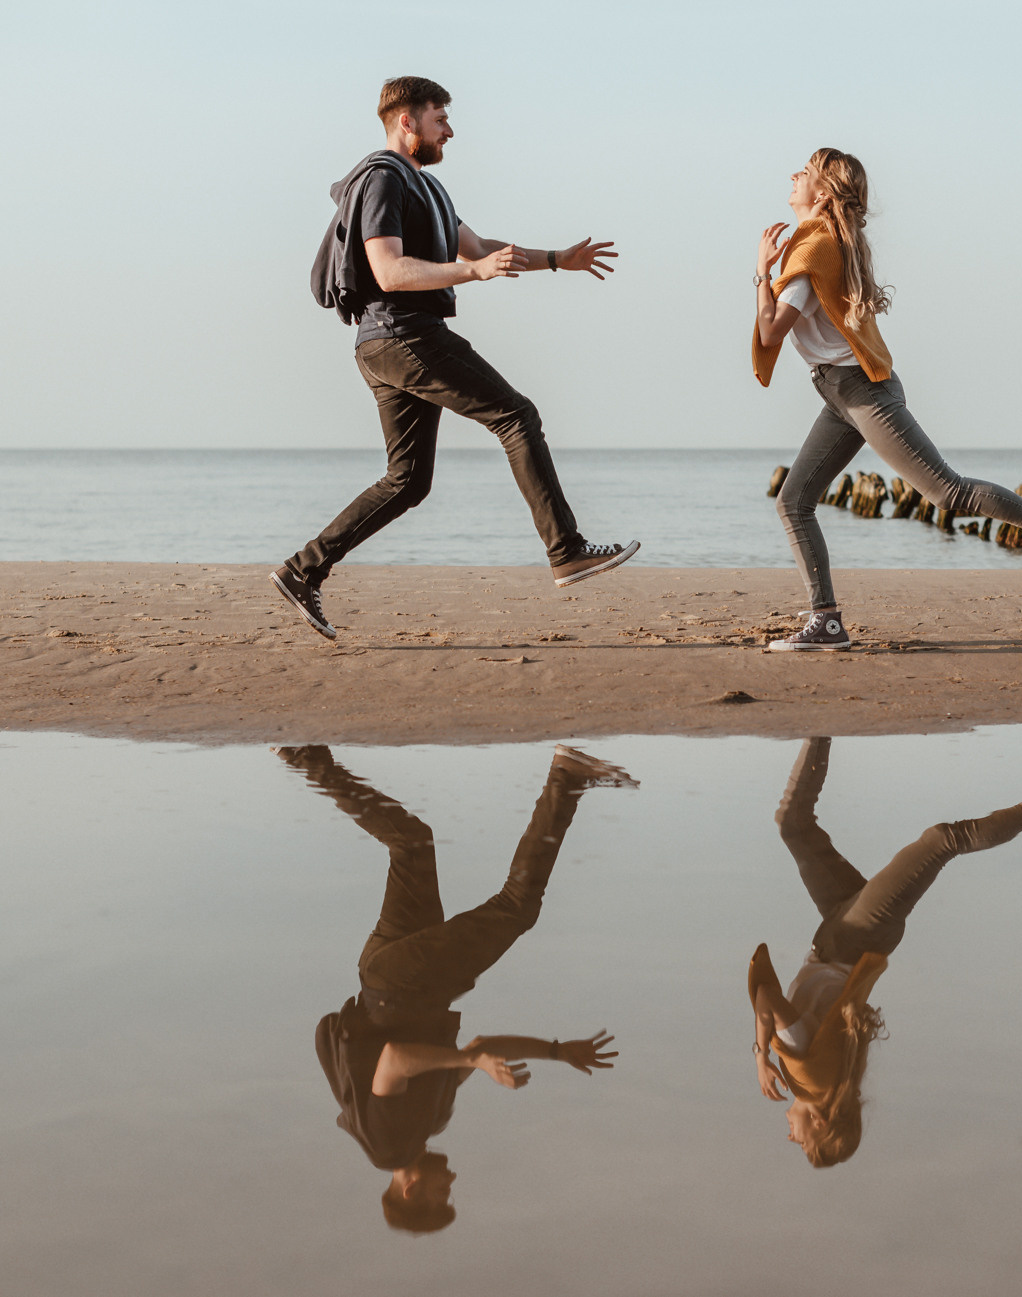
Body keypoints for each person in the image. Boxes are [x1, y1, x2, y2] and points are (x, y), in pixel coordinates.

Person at [277, 76, 640, 640]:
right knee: (516, 415)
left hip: (389, 344)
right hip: (404, 335)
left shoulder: (431, 189)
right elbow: (389, 271)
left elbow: (478, 248)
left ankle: (303, 571)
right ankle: (566, 552)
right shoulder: (381, 178)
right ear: (408, 122)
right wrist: (472, 274)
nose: (449, 129)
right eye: (440, 118)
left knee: (408, 480)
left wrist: (555, 258)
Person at [751, 148, 1022, 652]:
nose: (792, 177)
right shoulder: (822, 244)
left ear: (822, 193)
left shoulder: (810, 253)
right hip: (839, 393)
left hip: (860, 392)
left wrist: (761, 272)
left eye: (803, 173)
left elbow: (770, 331)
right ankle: (826, 621)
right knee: (795, 501)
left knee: (947, 493)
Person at [283, 742, 630, 1232]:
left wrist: (471, 1062)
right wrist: (556, 1051)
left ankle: (567, 777)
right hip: (385, 975)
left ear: (411, 1190)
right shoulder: (429, 1123)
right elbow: (483, 1048)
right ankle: (304, 757)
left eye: (442, 1193)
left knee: (516, 907)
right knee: (413, 845)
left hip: (410, 984)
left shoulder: (388, 1145)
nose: (452, 1181)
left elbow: (395, 1061)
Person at [747, 737, 1022, 1166]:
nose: (791, 1138)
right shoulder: (811, 1079)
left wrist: (765, 1052)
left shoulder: (826, 1081)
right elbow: (768, 1001)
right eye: (802, 1143)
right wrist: (762, 1056)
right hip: (857, 934)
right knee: (943, 840)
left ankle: (822, 727)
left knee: (794, 824)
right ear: (820, 1125)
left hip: (840, 931)